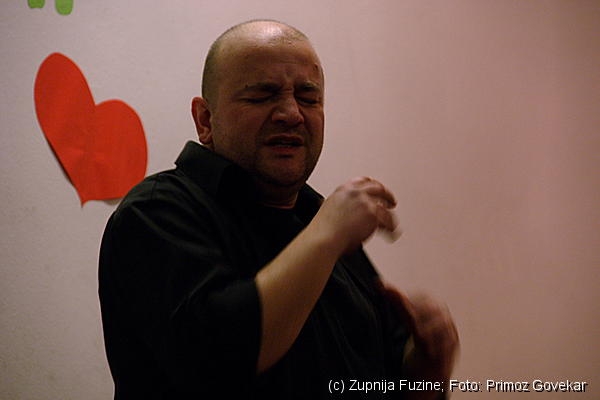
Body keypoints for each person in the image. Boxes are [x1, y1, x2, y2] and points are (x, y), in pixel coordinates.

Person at [99, 19, 458, 399]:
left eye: (308, 98)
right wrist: (326, 236)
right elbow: (221, 360)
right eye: (262, 95)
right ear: (205, 120)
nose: (291, 113)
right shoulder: (156, 212)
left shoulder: (319, 219)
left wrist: (425, 370)